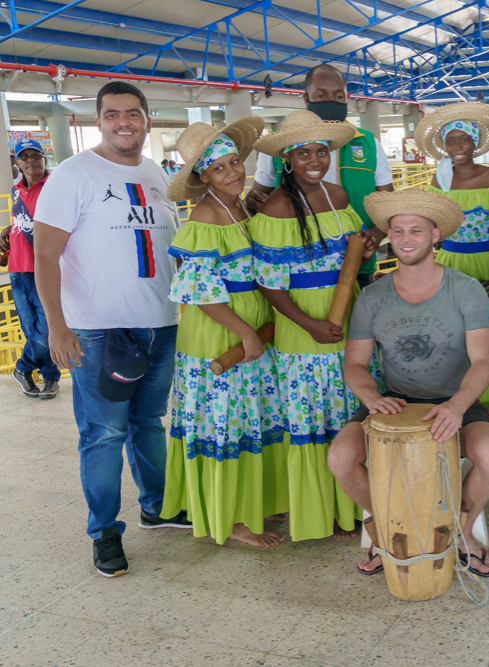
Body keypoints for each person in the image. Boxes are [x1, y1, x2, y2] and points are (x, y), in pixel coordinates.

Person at [33, 81, 192, 578]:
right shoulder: (72, 175)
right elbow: (44, 255)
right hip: (100, 331)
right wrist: (57, 327)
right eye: (112, 114)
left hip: (160, 324)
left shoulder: (157, 174)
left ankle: (157, 505)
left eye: (133, 113)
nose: (123, 121)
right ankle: (104, 530)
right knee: (103, 433)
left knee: (150, 422)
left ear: (147, 119)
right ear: (97, 121)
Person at [328, 188, 489, 578]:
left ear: (436, 234)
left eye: (416, 230)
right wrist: (372, 398)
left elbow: (483, 360)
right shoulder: (373, 296)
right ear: (389, 235)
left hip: (455, 399)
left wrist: (458, 406)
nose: (406, 239)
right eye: (398, 231)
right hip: (396, 402)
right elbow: (354, 364)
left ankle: (461, 531)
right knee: (340, 457)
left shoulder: (465, 289)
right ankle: (386, 527)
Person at [158, 116, 291, 548]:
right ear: (203, 176)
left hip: (248, 327)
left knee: (252, 414)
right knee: (224, 422)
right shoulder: (205, 217)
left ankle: (257, 498)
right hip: (217, 332)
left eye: (235, 162)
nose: (234, 172)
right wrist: (246, 334)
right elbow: (200, 294)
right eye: (220, 168)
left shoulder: (241, 207)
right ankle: (231, 517)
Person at [248, 110, 377, 542]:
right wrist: (310, 324)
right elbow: (268, 285)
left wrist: (370, 241)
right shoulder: (277, 207)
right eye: (303, 152)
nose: (314, 159)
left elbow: (355, 249)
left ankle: (354, 506)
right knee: (311, 418)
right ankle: (321, 511)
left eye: (321, 150)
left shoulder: (339, 196)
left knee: (346, 414)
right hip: (302, 328)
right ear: (287, 159)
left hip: (346, 322)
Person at [246, 64, 394, 288]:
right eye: (321, 95)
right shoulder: (278, 148)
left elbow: (388, 205)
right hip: (299, 268)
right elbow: (256, 198)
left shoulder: (369, 144)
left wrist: (372, 237)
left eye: (338, 95)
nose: (331, 101)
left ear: (347, 97)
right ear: (306, 98)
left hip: (357, 263)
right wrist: (252, 202)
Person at [415, 101, 489, 281]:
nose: (458, 147)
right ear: (445, 147)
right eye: (450, 141)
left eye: (464, 140)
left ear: (474, 143)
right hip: (447, 262)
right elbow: (427, 227)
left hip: (484, 261)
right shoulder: (440, 179)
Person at [1, 138, 60, 399]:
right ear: (17, 162)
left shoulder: (55, 187)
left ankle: (22, 368)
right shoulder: (15, 190)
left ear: (44, 158)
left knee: (46, 327)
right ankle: (50, 379)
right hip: (17, 269)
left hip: (44, 268)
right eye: (24, 157)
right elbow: (22, 220)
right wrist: (7, 229)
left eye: (35, 155)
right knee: (30, 329)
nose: (31, 160)